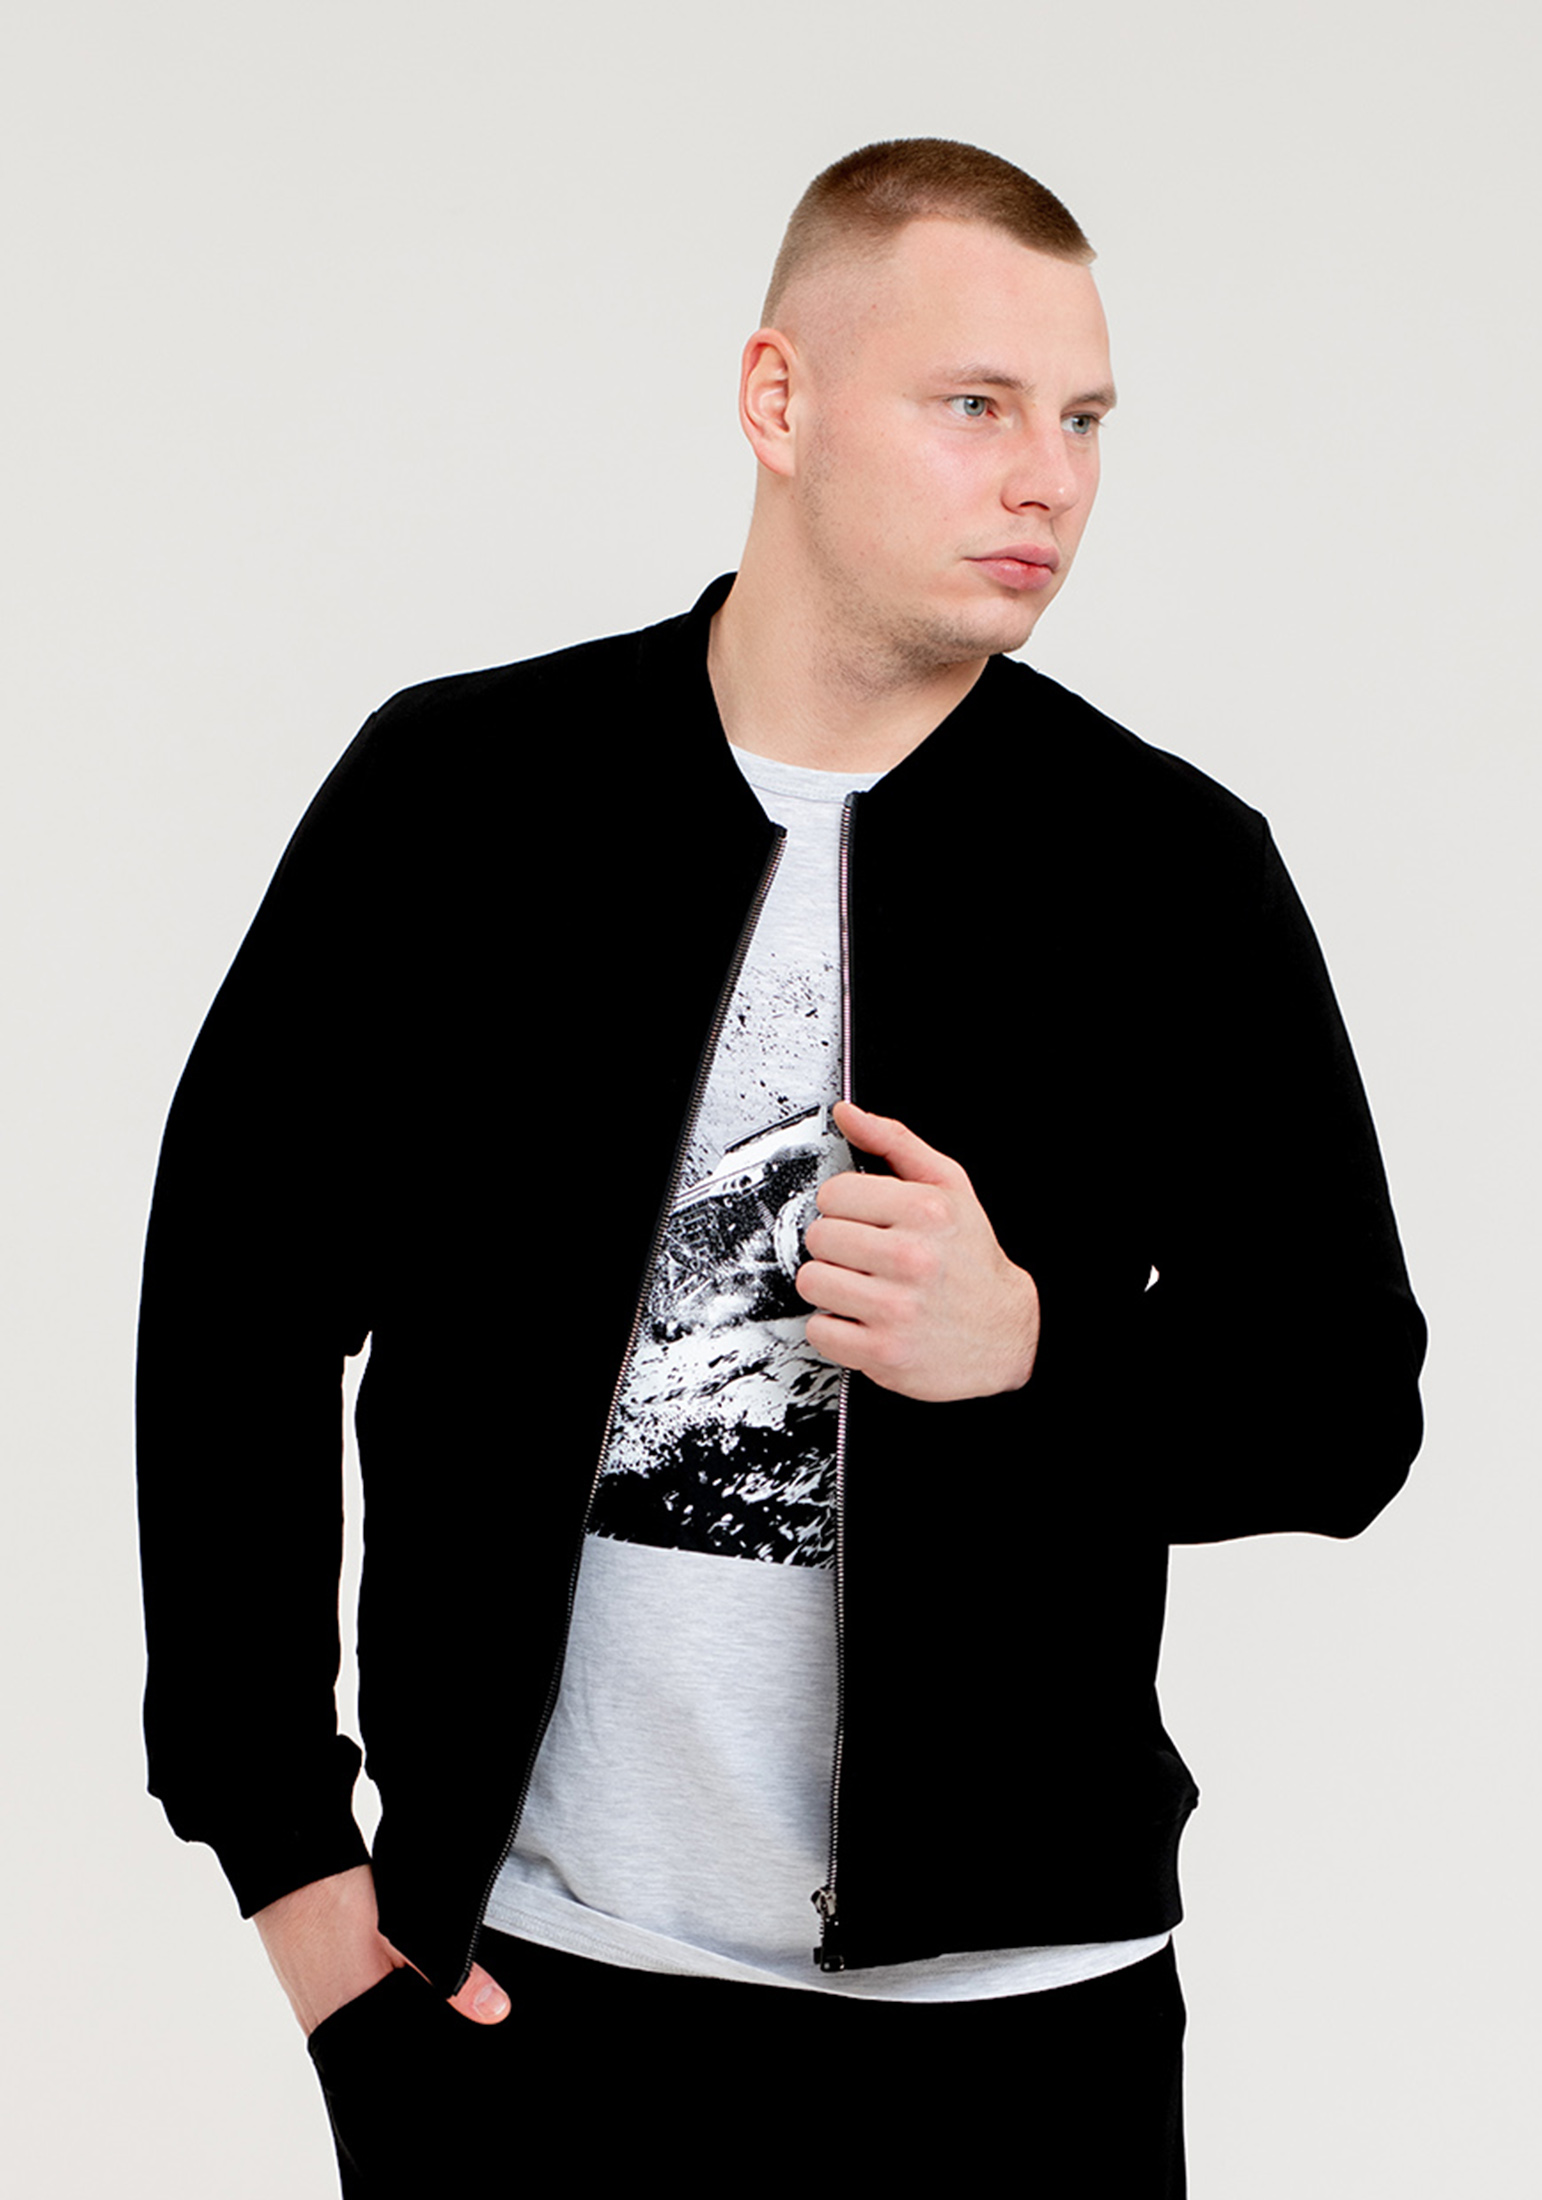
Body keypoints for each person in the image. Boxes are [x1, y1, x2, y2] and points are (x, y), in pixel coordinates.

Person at [137, 139, 1425, 2194]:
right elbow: (232, 1314)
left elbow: (1350, 1406)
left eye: (1086, 419)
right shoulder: (463, 798)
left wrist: (1035, 1348)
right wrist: (294, 1870)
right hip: (532, 2001)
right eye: (975, 404)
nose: (1049, 480)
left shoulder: (1168, 871)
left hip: (1024, 2042)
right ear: (778, 399)